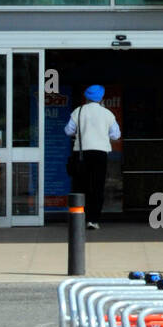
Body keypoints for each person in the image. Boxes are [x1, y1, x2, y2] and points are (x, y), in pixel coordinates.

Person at [65, 84, 120, 229]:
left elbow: (68, 131)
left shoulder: (78, 111)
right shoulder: (107, 114)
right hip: (100, 154)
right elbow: (116, 135)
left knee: (80, 185)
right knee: (97, 186)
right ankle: (93, 220)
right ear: (101, 98)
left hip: (81, 154)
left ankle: (78, 217)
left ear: (86, 97)